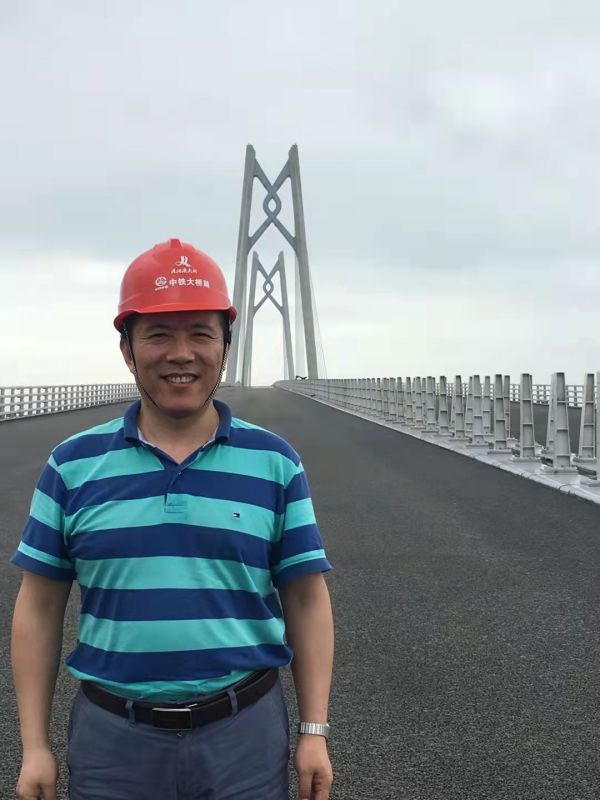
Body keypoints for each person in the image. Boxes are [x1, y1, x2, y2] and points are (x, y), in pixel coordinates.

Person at [11, 238, 334, 800]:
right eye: (158, 334)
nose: (181, 353)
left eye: (201, 334)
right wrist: (34, 746)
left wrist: (314, 731)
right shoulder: (72, 465)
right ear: (127, 349)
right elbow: (38, 606)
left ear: (226, 346)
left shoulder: (275, 462)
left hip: (244, 735)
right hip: (112, 740)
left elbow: (306, 599)